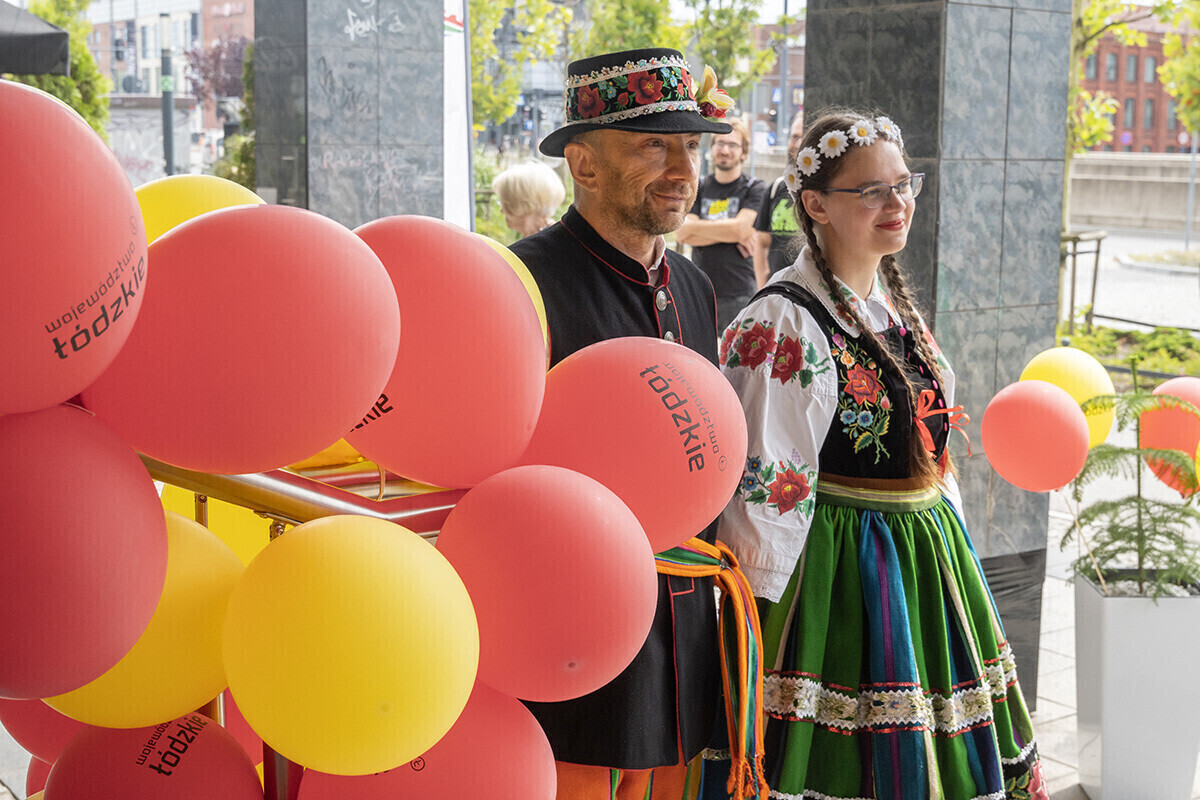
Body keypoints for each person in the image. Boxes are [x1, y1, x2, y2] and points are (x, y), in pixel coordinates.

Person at [715, 109, 1049, 799]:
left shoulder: (892, 307)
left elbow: (928, 445)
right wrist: (756, 628)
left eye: (904, 185)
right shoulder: (782, 321)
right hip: (837, 573)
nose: (896, 204)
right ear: (815, 205)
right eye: (871, 191)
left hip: (924, 558)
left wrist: (948, 539)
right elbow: (764, 484)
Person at [510, 47, 763, 800]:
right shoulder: (524, 281)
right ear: (583, 166)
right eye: (654, 146)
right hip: (573, 622)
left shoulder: (691, 282)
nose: (684, 167)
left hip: (682, 621)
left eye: (691, 144)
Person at [675, 118, 767, 331]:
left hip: (740, 296)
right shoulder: (699, 186)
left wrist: (699, 231)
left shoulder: (755, 188)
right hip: (700, 292)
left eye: (733, 145)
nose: (725, 150)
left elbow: (741, 229)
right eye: (720, 143)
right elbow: (681, 233)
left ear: (744, 152)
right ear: (712, 148)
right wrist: (732, 232)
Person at [753, 110, 804, 279]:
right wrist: (763, 288)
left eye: (804, 138)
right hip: (778, 293)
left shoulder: (828, 193)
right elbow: (761, 242)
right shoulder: (776, 188)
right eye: (794, 137)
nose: (797, 144)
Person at [492, 160, 566, 238]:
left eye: (504, 203)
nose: (502, 211)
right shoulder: (541, 236)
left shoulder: (553, 239)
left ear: (521, 202)